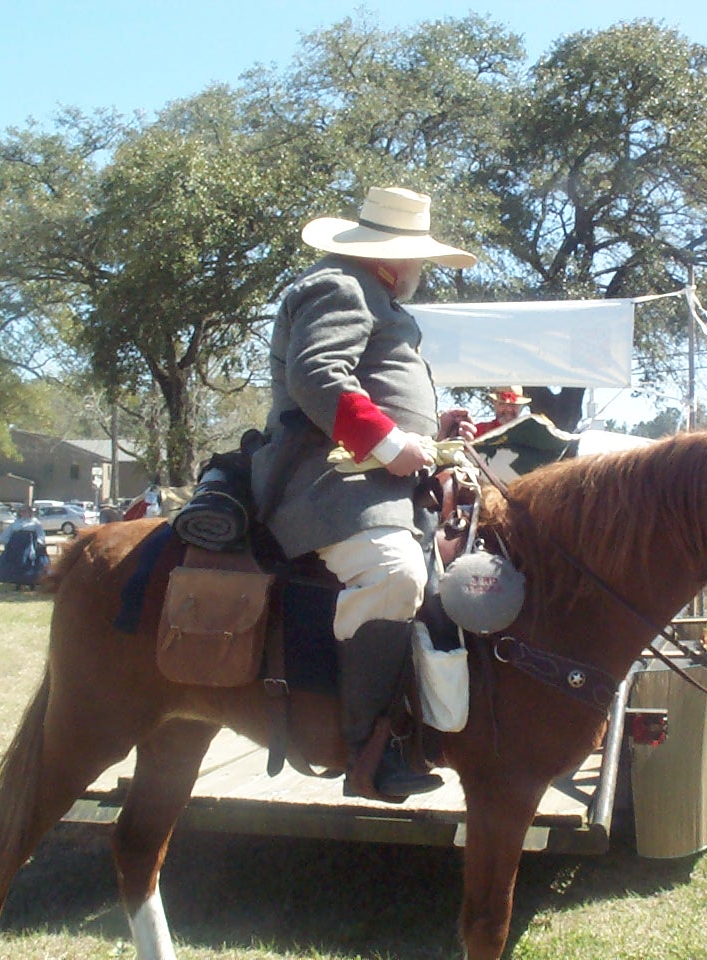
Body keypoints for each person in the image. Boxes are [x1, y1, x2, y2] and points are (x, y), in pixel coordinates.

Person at [250, 186, 477, 802]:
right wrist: (390, 443)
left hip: (381, 477)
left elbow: (373, 386)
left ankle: (430, 729)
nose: (420, 273)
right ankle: (366, 751)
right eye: (418, 261)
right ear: (390, 258)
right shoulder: (341, 286)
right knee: (395, 573)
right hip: (329, 481)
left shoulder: (368, 290)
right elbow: (317, 375)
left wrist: (432, 428)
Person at [0, 504, 49, 591]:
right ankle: (18, 584)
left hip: (30, 546)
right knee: (17, 564)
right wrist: (7, 541)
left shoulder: (35, 523)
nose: (23, 513)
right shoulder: (16, 522)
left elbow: (41, 534)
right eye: (22, 511)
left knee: (30, 564)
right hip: (16, 547)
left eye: (25, 511)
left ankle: (31, 584)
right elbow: (7, 533)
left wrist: (39, 543)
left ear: (30, 512)